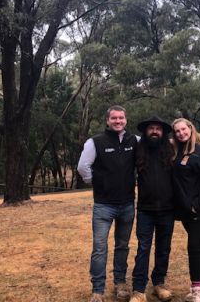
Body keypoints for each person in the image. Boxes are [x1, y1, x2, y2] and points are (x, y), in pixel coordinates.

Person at [77, 105, 138, 302]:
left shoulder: (135, 141)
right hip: (104, 205)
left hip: (128, 204)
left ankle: (120, 284)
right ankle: (98, 290)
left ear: (126, 120)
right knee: (100, 248)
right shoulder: (95, 142)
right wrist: (97, 182)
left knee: (122, 246)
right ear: (107, 121)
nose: (118, 121)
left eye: (121, 118)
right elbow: (82, 167)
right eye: (114, 118)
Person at [171, 118, 200, 302]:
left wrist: (197, 205)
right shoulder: (179, 151)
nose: (181, 133)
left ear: (190, 129)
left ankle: (196, 291)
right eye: (177, 131)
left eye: (184, 129)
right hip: (186, 210)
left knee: (194, 246)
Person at [130, 116, 176, 302]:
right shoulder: (138, 150)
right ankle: (139, 290)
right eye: (151, 128)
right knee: (143, 248)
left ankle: (159, 284)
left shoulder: (171, 150)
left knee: (164, 249)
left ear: (163, 132)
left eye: (158, 128)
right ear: (145, 131)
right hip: (145, 210)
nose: (155, 131)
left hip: (168, 209)